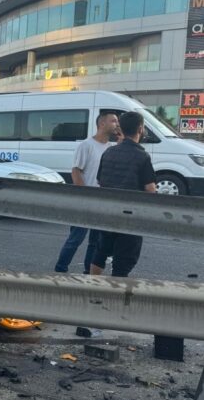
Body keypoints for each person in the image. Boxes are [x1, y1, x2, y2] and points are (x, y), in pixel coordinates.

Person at [89, 111, 156, 277]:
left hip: (108, 212)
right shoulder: (142, 156)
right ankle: (116, 296)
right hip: (130, 216)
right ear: (140, 129)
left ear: (122, 129)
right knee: (124, 261)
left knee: (101, 252)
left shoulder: (108, 153)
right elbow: (150, 189)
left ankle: (92, 288)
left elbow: (100, 181)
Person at [53, 111, 120, 274]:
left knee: (95, 242)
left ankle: (87, 272)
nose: (117, 124)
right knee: (75, 239)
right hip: (85, 201)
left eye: (117, 122)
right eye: (113, 121)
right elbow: (76, 172)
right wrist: (85, 197)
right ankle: (60, 270)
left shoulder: (111, 148)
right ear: (101, 124)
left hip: (101, 202)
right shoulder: (87, 145)